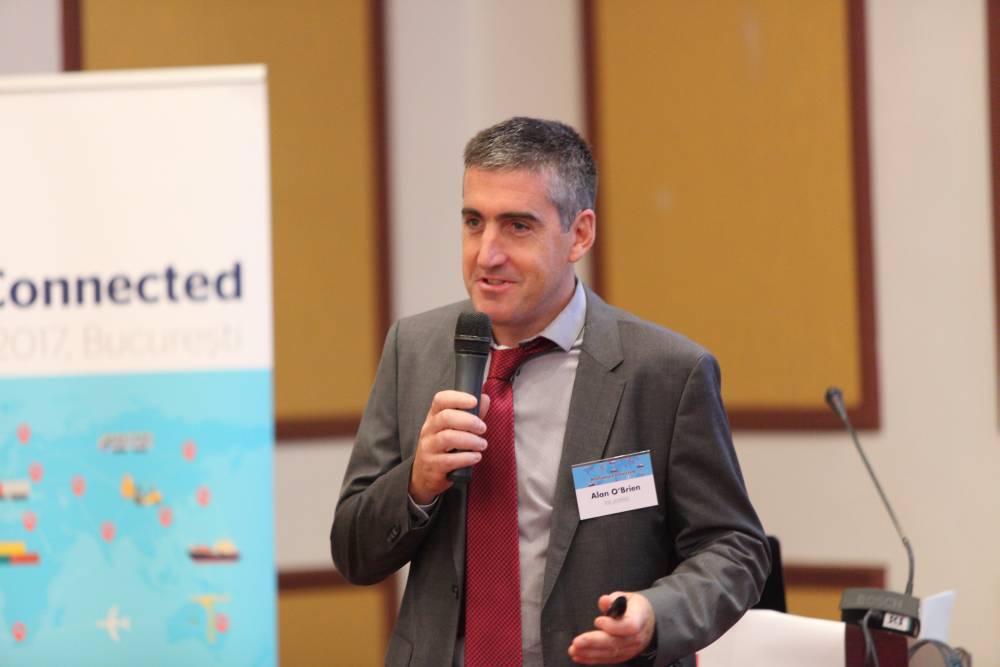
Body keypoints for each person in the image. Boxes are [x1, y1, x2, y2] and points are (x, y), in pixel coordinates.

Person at [331, 117, 770, 666]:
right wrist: (417, 483)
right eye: (474, 222)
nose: (486, 254)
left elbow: (734, 548)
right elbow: (353, 551)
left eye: (517, 226)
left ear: (579, 234)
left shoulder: (665, 373)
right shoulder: (414, 348)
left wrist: (656, 614)